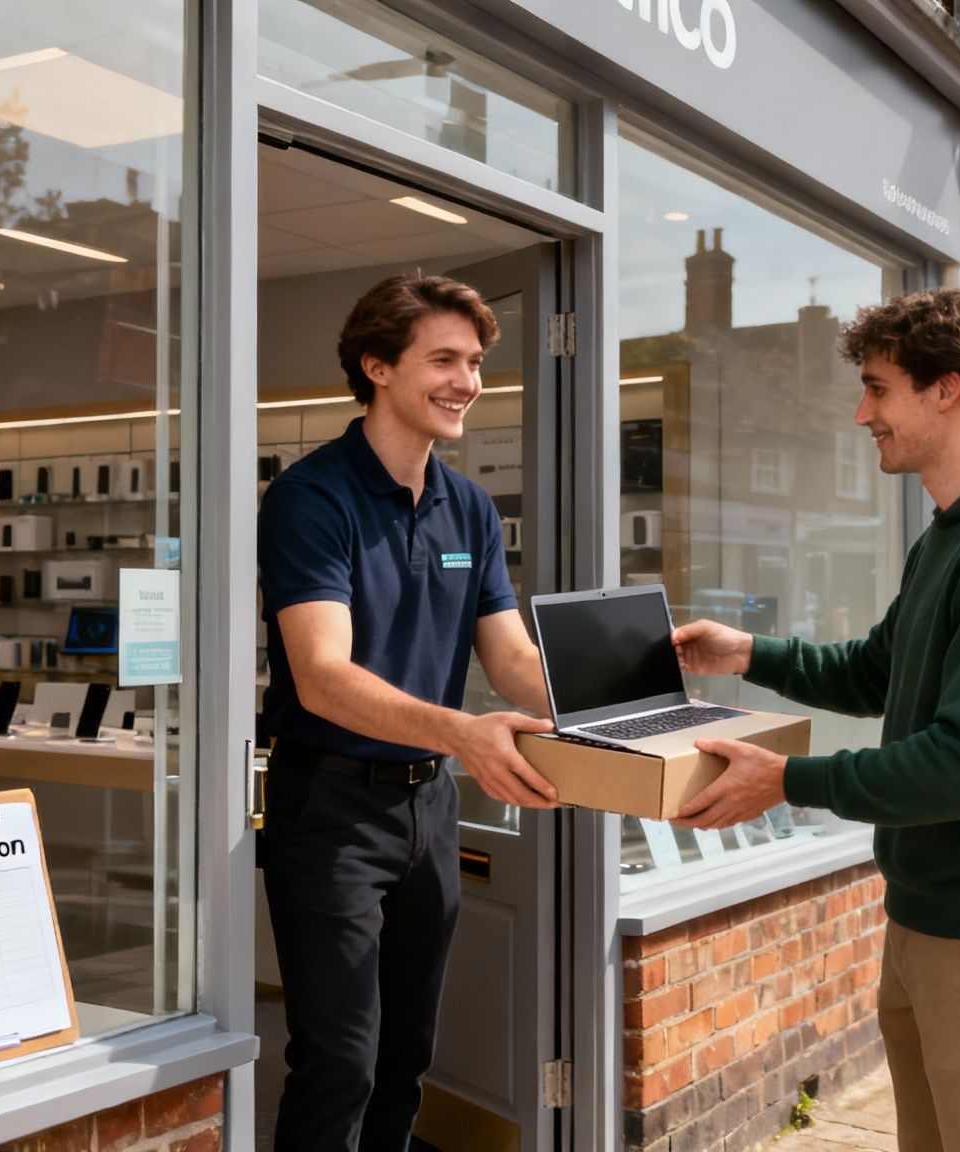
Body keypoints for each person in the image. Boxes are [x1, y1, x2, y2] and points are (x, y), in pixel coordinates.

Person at [669, 289, 960, 1152]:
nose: (861, 411)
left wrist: (789, 781)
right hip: (931, 921)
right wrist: (749, 653)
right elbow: (878, 669)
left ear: (946, 389)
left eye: (878, 388)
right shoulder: (953, 531)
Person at [257, 274, 561, 1151]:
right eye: (444, 359)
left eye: (474, 362)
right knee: (339, 1060)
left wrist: (633, 698)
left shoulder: (466, 502)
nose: (467, 380)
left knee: (404, 1056)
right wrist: (461, 731)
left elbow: (510, 661)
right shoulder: (312, 498)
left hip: (430, 806)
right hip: (330, 807)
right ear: (377, 366)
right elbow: (321, 675)